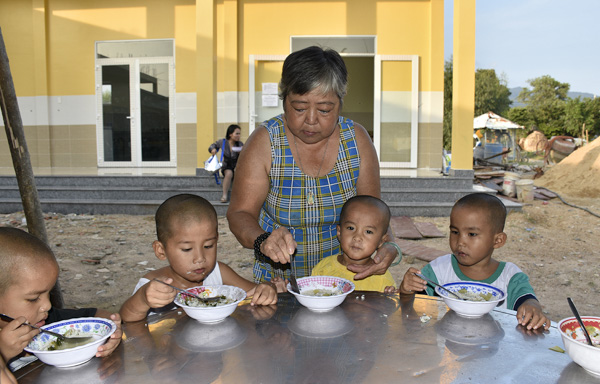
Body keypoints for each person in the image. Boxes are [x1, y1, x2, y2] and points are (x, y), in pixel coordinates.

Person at [226, 46, 400, 284]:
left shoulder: (356, 141)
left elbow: (374, 214)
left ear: (340, 102)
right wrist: (262, 239)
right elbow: (240, 214)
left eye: (324, 109)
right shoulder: (265, 142)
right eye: (299, 108)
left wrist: (389, 245)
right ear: (284, 99)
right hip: (280, 284)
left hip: (343, 282)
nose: (310, 119)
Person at [398, 193, 551, 331]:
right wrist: (406, 290)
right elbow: (411, 308)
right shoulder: (438, 271)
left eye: (472, 234)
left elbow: (528, 300)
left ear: (497, 240)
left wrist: (532, 307)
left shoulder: (510, 277)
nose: (460, 242)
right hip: (448, 352)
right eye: (455, 232)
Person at [120, 194, 280, 323]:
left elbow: (253, 293)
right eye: (187, 249)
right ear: (161, 250)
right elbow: (126, 318)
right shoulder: (152, 286)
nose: (200, 258)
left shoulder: (219, 273)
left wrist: (268, 288)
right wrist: (142, 298)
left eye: (208, 246)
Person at [0, 227, 123, 371]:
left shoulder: (45, 322)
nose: (47, 305)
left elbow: (101, 317)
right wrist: (3, 354)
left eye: (49, 294)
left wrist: (112, 334)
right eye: (33, 299)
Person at [311, 195, 397, 292]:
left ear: (381, 241)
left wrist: (389, 298)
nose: (357, 237)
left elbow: (391, 305)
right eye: (351, 228)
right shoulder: (324, 268)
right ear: (339, 232)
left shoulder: (382, 277)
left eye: (368, 231)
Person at [209, 124, 244, 203]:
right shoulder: (223, 142)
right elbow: (212, 145)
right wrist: (213, 149)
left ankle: (239, 196)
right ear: (230, 134)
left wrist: (241, 153)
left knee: (238, 173)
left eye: (239, 134)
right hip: (227, 166)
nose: (239, 136)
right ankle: (224, 195)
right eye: (237, 133)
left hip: (237, 166)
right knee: (229, 173)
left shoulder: (240, 144)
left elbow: (246, 154)